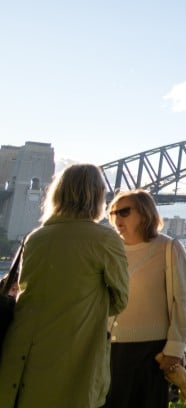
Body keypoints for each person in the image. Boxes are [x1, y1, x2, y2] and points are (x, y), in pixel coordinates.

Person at [0, 164, 129, 408]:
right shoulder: (105, 239)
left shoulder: (35, 237)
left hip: (21, 352)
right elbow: (120, 299)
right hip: (73, 353)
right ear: (97, 194)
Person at [104, 189, 186, 408]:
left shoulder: (168, 248)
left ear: (144, 213)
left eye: (124, 212)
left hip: (152, 351)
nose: (117, 218)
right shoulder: (107, 249)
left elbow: (181, 301)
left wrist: (174, 348)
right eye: (112, 212)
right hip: (109, 347)